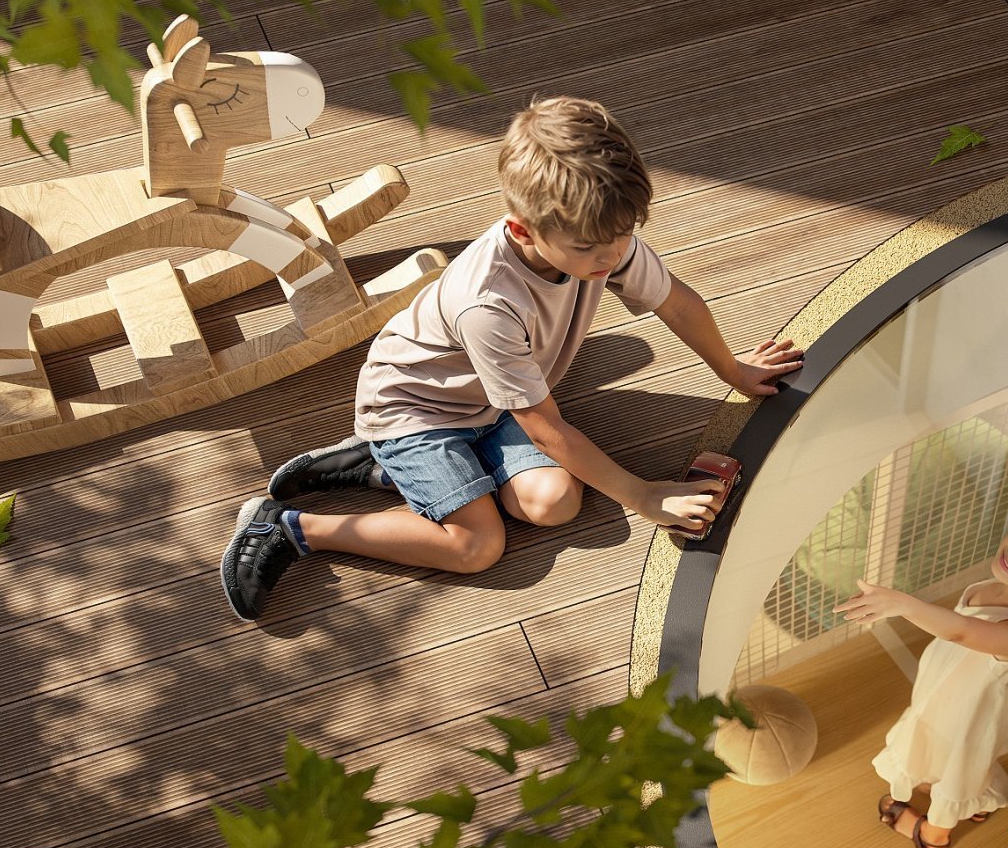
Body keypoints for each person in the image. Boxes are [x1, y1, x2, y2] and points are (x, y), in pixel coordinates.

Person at [220, 96, 803, 620]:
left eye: (624, 235)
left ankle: (376, 470)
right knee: (477, 546)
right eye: (589, 248)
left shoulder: (598, 234)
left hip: (493, 403)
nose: (611, 257)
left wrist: (733, 369)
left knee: (554, 503)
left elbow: (675, 302)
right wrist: (642, 494)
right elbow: (545, 427)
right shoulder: (489, 305)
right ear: (523, 231)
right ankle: (292, 527)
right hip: (416, 410)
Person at [833, 505, 1008, 848]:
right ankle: (969, 798)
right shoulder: (998, 587)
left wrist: (903, 604)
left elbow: (961, 631)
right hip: (946, 697)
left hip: (967, 717)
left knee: (960, 767)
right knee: (940, 753)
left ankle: (935, 834)